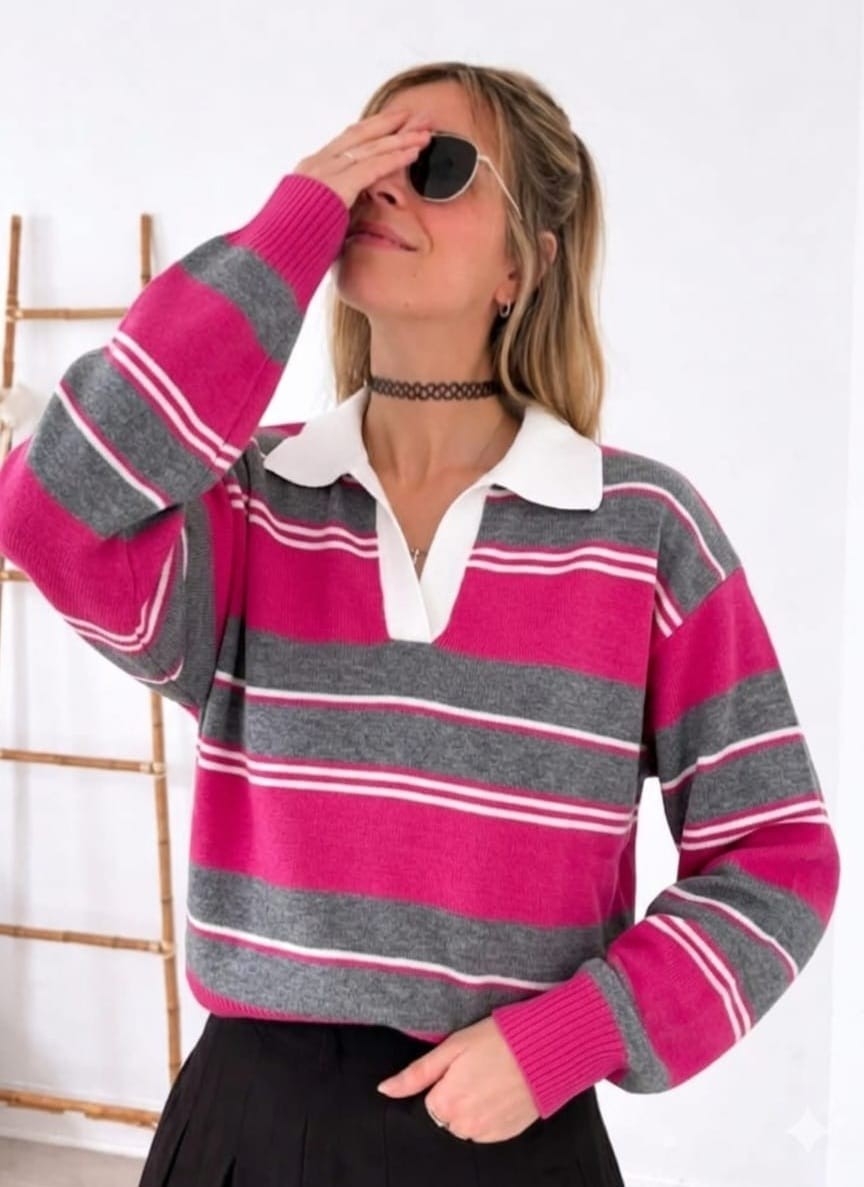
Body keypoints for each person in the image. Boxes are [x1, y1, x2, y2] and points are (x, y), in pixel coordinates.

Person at [0, 60, 840, 1187]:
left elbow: (777, 855)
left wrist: (573, 1036)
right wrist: (288, 231)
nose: (381, 187)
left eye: (435, 165)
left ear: (523, 263)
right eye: (366, 158)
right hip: (247, 1134)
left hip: (514, 1137)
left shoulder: (644, 529)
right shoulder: (249, 505)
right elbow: (47, 508)